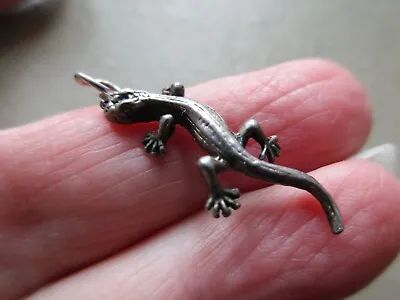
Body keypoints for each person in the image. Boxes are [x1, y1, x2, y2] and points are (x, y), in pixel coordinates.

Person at [1, 59, 399, 300]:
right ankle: (280, 162)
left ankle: (224, 191)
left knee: (207, 165)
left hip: (228, 156)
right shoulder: (171, 98)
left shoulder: (169, 113)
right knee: (255, 128)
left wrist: (160, 138)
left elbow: (170, 117)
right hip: (240, 139)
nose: (118, 114)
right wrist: (261, 144)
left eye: (122, 111)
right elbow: (172, 96)